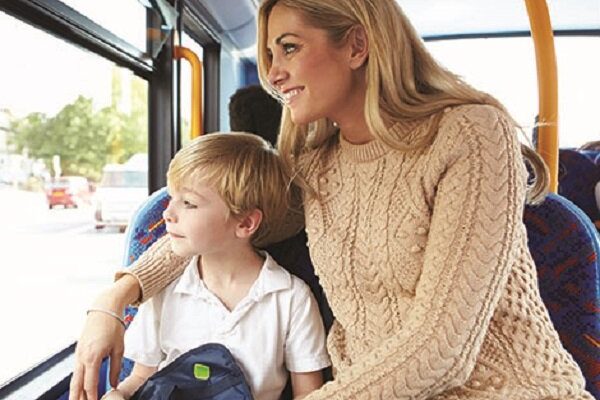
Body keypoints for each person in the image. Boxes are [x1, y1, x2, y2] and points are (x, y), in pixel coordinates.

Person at [70, 0, 595, 399]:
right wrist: (117, 298)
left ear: (356, 46)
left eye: (290, 48)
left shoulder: (472, 134)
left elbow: (442, 349)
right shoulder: (315, 164)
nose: (274, 74)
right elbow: (219, 228)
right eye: (269, 55)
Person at [100, 132, 330, 400]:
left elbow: (308, 394)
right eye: (171, 199)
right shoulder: (165, 290)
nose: (167, 214)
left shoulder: (290, 298)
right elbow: (142, 377)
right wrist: (118, 396)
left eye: (189, 204)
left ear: (244, 223)